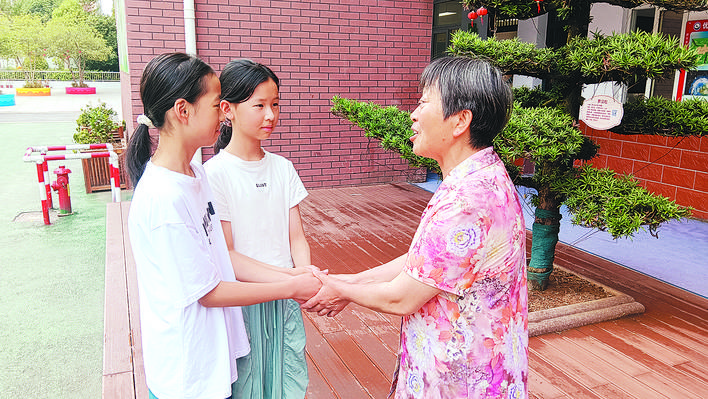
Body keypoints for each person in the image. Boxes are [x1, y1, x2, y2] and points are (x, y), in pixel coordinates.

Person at [303, 56, 528, 399]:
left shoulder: (467, 200)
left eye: (424, 102)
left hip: (461, 381)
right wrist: (345, 282)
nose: (413, 114)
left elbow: (402, 296)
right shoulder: (482, 177)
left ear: (460, 121)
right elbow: (425, 264)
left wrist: (341, 290)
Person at [125, 52, 321, 399]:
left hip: (213, 358)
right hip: (187, 377)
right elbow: (210, 291)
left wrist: (297, 276)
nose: (223, 112)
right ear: (183, 111)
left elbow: (220, 258)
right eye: (217, 105)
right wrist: (292, 286)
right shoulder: (164, 199)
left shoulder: (194, 175)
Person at [204, 59, 311, 399]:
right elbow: (228, 254)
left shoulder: (283, 168)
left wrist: (305, 274)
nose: (271, 115)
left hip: (287, 294)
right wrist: (293, 282)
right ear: (228, 110)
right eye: (260, 105)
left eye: (275, 104)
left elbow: (297, 237)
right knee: (247, 382)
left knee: (286, 377)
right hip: (245, 298)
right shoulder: (215, 174)